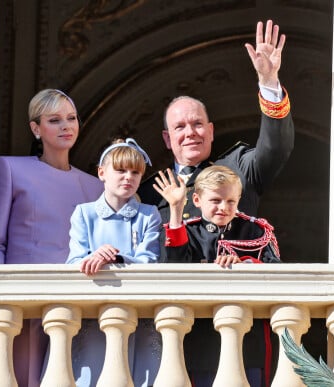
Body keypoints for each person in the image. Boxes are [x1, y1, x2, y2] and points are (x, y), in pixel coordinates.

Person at [137, 19, 294, 262]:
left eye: (198, 124)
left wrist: (269, 81)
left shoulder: (239, 166)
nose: (190, 132)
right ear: (168, 139)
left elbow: (276, 147)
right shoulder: (147, 192)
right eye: (180, 127)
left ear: (211, 131)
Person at [0, 89, 103, 387]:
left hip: (78, 301)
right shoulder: (11, 168)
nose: (66, 126)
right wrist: (1, 302)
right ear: (36, 129)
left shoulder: (96, 187)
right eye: (54, 120)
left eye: (71, 118)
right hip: (25, 300)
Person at [154, 165, 281, 387]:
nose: (223, 207)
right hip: (202, 341)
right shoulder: (188, 231)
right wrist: (175, 209)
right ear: (196, 200)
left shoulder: (256, 231)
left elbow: (279, 276)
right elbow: (174, 271)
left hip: (249, 342)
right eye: (215, 201)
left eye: (231, 201)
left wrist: (244, 265)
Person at [66, 138, 162, 387]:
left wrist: (116, 258)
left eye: (135, 172)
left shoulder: (149, 214)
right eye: (120, 170)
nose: (128, 177)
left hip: (139, 317)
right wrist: (92, 257)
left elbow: (149, 260)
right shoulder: (84, 213)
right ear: (102, 172)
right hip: (94, 316)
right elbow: (74, 261)